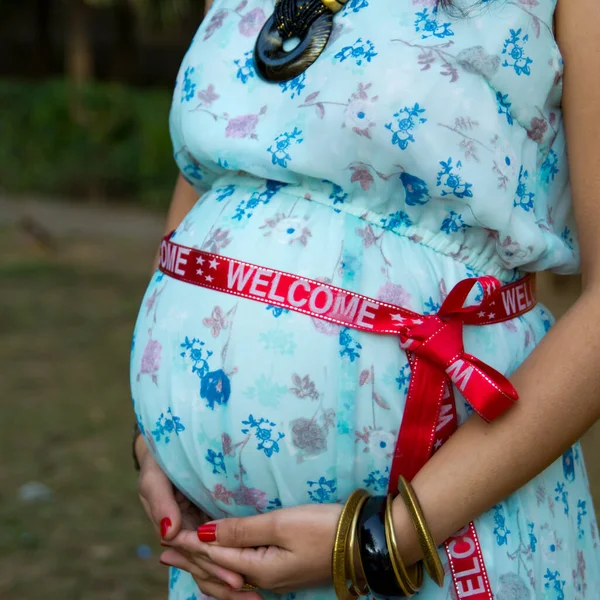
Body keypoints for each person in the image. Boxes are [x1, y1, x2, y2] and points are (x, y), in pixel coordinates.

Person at [131, 0, 600, 598]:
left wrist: (387, 537)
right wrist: (155, 448)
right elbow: (210, 189)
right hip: (222, 564)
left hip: (440, 542)